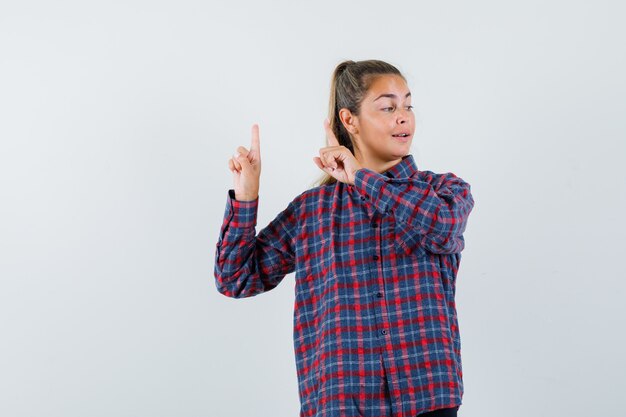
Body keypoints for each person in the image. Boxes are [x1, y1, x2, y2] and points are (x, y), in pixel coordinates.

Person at [214, 59, 474, 417]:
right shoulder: (312, 211)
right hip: (344, 402)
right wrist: (246, 197)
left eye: (408, 105)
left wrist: (360, 177)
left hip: (426, 399)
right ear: (349, 120)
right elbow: (236, 279)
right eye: (388, 106)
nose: (404, 117)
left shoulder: (442, 190)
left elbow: (442, 226)